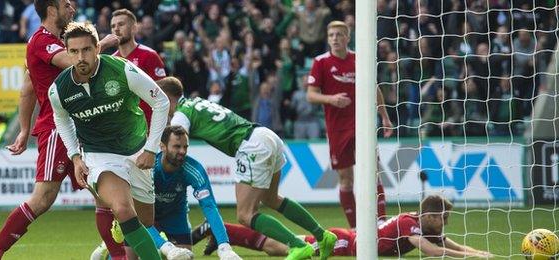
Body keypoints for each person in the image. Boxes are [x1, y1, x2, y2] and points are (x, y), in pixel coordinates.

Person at [0, 1, 119, 258]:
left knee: (105, 194)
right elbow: (72, 63)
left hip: (84, 124)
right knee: (42, 199)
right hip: (57, 127)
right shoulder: (41, 41)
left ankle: (116, 254)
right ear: (52, 9)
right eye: (66, 5)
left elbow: (27, 89)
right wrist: (102, 44)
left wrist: (23, 129)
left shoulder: (60, 40)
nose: (72, 9)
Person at [156, 76, 338, 260]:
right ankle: (323, 236)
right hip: (266, 135)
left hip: (251, 146)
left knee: (245, 214)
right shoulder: (195, 102)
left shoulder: (180, 114)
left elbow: (176, 139)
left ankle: (298, 246)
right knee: (272, 199)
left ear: (166, 97)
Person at [48, 22, 169, 259]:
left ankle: (120, 224)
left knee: (144, 221)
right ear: (67, 52)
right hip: (99, 155)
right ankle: (119, 215)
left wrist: (151, 149)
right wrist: (75, 156)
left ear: (97, 48)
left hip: (136, 150)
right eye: (74, 51)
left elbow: (161, 101)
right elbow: (61, 120)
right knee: (124, 209)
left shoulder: (122, 70)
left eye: (86, 50)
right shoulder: (59, 90)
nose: (80, 57)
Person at [92, 126, 241, 260]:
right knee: (128, 257)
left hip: (175, 217)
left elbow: (209, 207)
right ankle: (109, 247)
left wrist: (224, 247)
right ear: (162, 147)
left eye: (185, 147)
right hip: (145, 214)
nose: (182, 151)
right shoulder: (147, 167)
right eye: (177, 146)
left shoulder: (194, 170)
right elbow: (136, 213)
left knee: (184, 258)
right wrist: (168, 248)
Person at [196, 195, 494, 258]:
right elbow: (430, 250)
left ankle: (223, 232)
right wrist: (467, 257)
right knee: (279, 248)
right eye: (443, 217)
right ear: (429, 216)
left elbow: (447, 243)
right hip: (343, 243)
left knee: (282, 244)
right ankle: (222, 229)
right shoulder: (409, 224)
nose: (445, 223)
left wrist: (478, 253)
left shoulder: (425, 225)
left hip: (346, 237)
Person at [306, 20, 393, 228]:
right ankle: (356, 228)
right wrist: (331, 99)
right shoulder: (321, 62)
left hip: (362, 126)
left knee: (373, 171)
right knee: (346, 178)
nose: (335, 38)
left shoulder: (359, 59)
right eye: (331, 35)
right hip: (336, 129)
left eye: (339, 35)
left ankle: (381, 222)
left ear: (347, 37)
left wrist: (384, 116)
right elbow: (310, 95)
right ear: (328, 39)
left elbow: (374, 88)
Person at [111, 8, 167, 127]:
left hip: (149, 126)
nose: (116, 29)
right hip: (123, 130)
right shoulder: (111, 61)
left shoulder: (149, 55)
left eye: (121, 24)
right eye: (113, 26)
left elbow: (164, 92)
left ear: (134, 28)